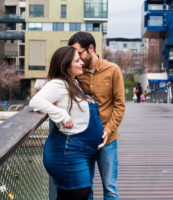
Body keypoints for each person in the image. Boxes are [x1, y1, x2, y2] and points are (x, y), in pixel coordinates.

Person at [29, 46, 103, 200]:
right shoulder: (58, 84)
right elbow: (35, 101)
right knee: (79, 194)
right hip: (67, 153)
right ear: (65, 67)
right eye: (77, 60)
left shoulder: (73, 83)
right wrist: (61, 114)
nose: (81, 62)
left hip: (75, 152)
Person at [68, 32, 126, 200]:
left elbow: (119, 105)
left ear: (91, 48)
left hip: (108, 138)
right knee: (86, 188)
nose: (76, 58)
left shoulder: (113, 70)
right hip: (84, 137)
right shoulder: (77, 72)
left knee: (110, 188)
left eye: (78, 53)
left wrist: (108, 130)